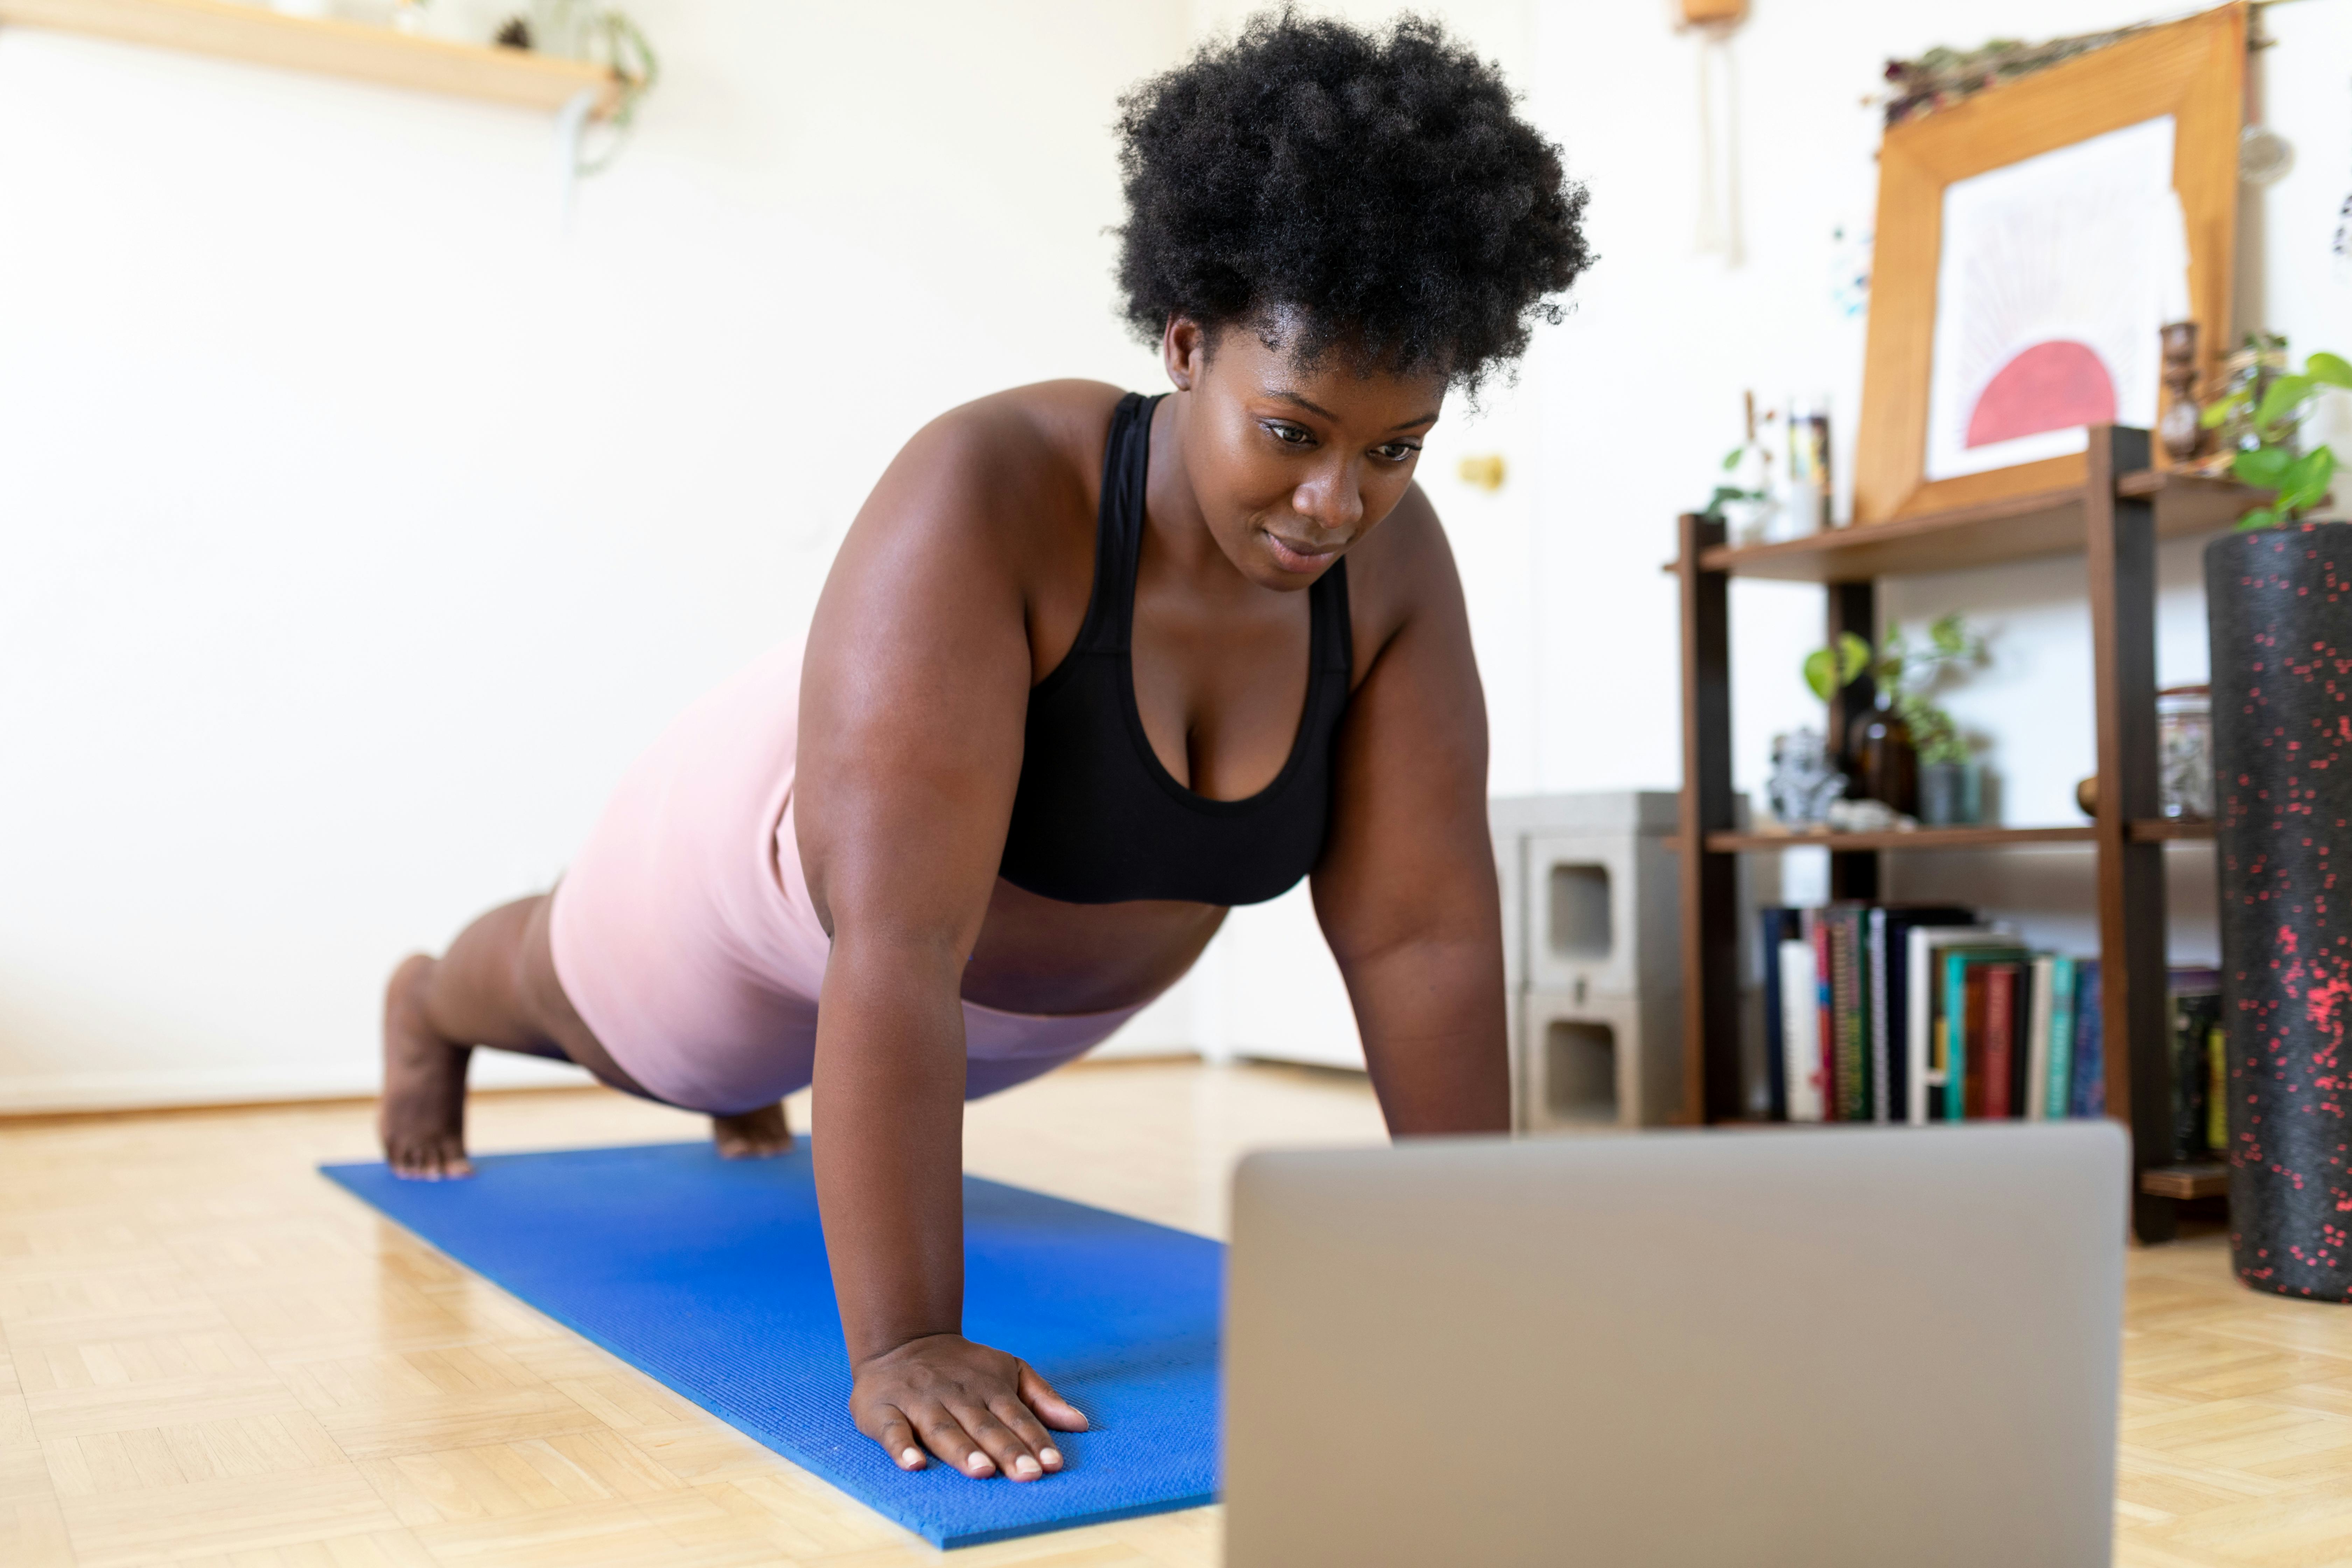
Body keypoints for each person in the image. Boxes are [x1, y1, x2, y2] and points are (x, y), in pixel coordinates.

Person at [377, 11, 1590, 1483]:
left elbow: (1423, 940)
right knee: (613, 1031)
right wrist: (903, 1340)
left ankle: (749, 1083)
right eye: (1293, 431)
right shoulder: (988, 491)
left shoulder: (1392, 578)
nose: (1339, 501)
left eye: (1394, 448)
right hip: (780, 892)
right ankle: (429, 1003)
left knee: (778, 1073)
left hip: (997, 1021)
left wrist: (1483, 1271)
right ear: (1188, 345)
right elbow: (891, 943)